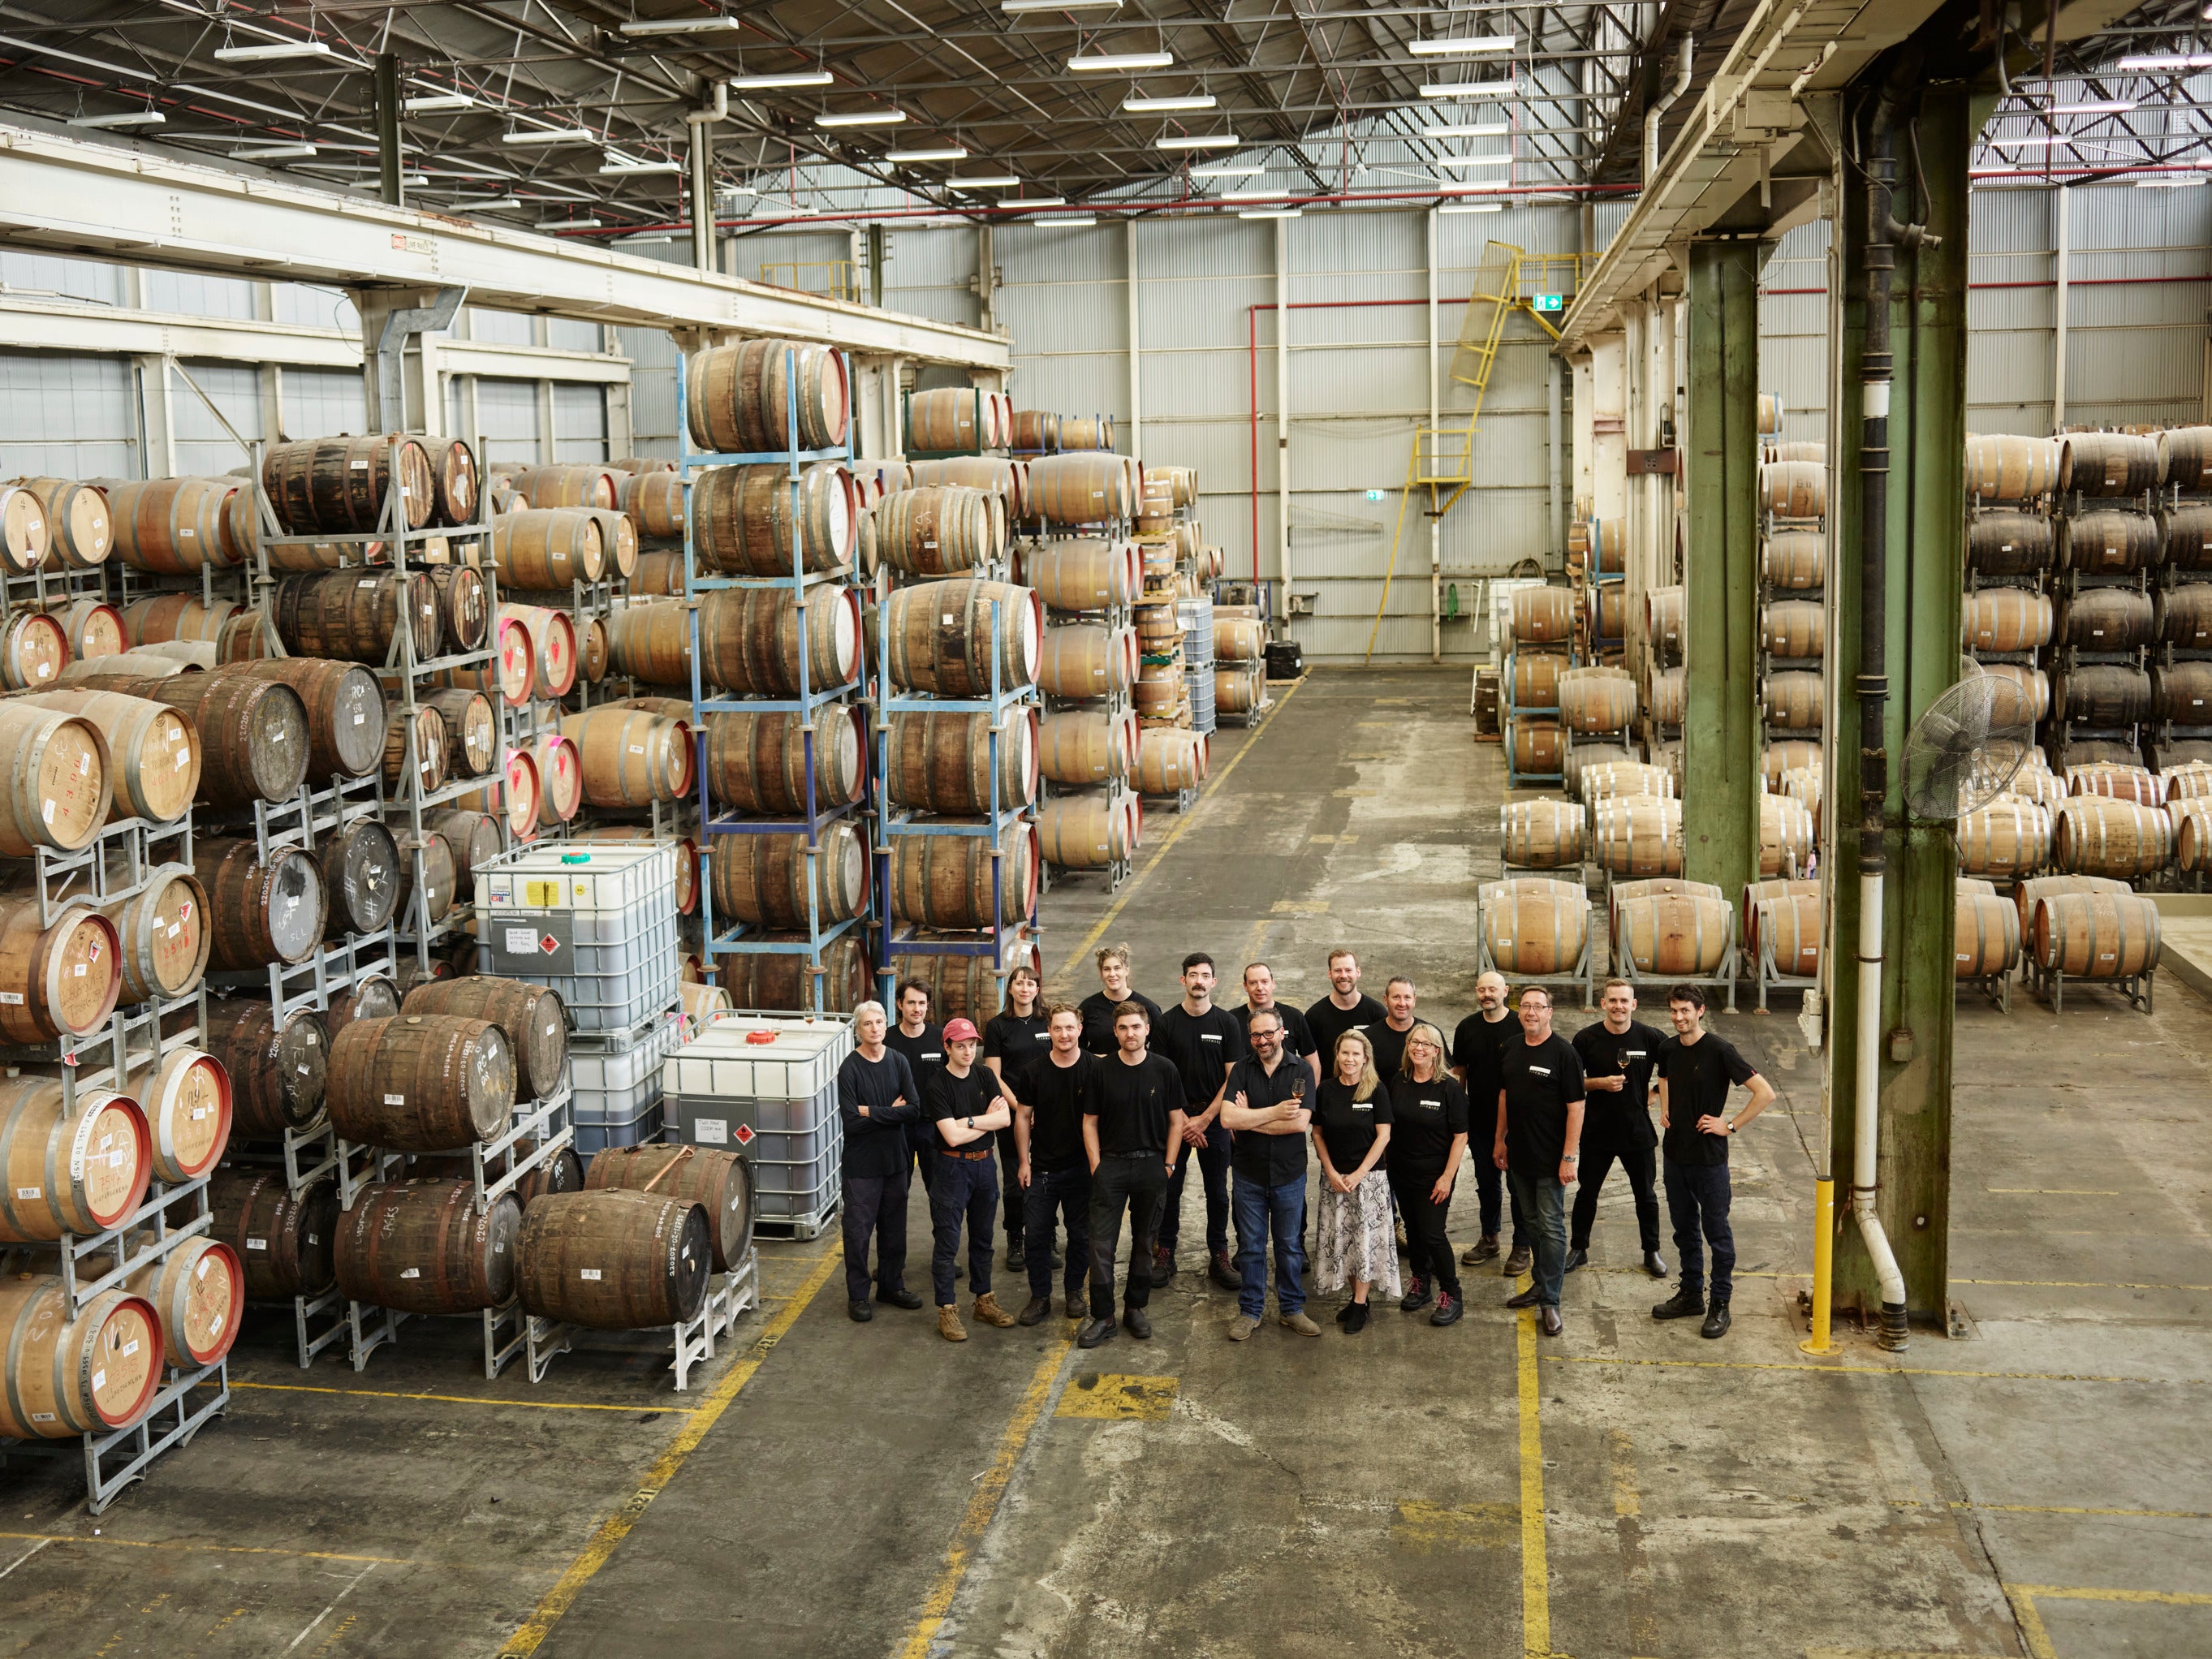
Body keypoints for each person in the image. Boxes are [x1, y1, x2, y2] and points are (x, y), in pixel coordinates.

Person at [1652, 985, 1777, 1340]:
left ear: (1700, 1011)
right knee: (1683, 1229)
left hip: (1709, 1160)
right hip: (1675, 1155)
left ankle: (1720, 1303)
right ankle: (1691, 1294)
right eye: (1674, 1011)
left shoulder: (1720, 1050)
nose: (1679, 1018)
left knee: (1717, 1234)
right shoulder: (1668, 1047)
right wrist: (1665, 1108)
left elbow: (1764, 1092)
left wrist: (1730, 1125)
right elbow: (1663, 1076)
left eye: (1685, 1011)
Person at [1079, 1001, 1186, 1349]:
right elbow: (1090, 1122)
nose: (1130, 1033)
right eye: (1123, 1028)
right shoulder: (1100, 1070)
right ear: (1115, 1032)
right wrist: (1096, 1165)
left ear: (1147, 1029)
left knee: (1143, 1243)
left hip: (1151, 1166)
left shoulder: (1165, 1069)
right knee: (1100, 1245)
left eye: (1136, 1027)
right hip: (1110, 1166)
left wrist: (1169, 1164)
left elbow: (1176, 1120)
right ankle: (1104, 1316)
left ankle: (1135, 1309)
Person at [1218, 1007, 1320, 1340]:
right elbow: (1228, 1120)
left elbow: (1299, 1124)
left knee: (1289, 1246)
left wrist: (1252, 1117)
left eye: (1268, 1034)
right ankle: (1250, 1311)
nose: (1262, 1041)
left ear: (1282, 1033)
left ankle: (1292, 1309)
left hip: (1289, 1175)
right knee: (1250, 1246)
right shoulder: (1242, 1070)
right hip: (1248, 1174)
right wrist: (1274, 1113)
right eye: (1255, 1035)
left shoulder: (1301, 1069)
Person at [1152, 952, 1248, 1290]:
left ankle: (1219, 1255)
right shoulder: (1166, 1023)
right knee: (1170, 1189)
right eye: (1192, 975)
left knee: (1217, 1192)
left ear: (1213, 982)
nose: (1198, 981)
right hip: (1175, 1117)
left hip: (1214, 1120)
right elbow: (1163, 1078)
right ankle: (1165, 1252)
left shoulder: (1227, 1023)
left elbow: (1233, 1078)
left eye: (1205, 975)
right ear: (1183, 980)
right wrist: (1184, 1122)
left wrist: (1204, 1120)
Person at [1495, 985, 1584, 1338]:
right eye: (1526, 1006)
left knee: (1550, 1228)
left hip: (1551, 1160)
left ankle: (1550, 1301)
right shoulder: (1512, 1048)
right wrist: (1500, 1139)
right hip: (1519, 1155)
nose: (1531, 1012)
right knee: (1530, 1223)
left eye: (1538, 1006)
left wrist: (1569, 1156)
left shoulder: (1564, 1054)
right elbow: (1505, 1095)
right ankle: (1539, 1284)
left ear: (1550, 1012)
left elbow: (1576, 1108)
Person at [1567, 980, 1669, 1280]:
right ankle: (1579, 1248)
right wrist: (1598, 1083)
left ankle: (1652, 1251)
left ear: (1633, 1005)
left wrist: (1653, 1094)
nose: (1618, 1006)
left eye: (1624, 1001)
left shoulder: (1650, 1037)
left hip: (1637, 1133)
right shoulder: (1586, 1039)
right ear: (1603, 1004)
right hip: (1597, 1131)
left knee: (1646, 1196)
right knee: (1587, 1194)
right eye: (1613, 1001)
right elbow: (1570, 1082)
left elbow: (1673, 1069)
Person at [926, 1018, 1020, 1341]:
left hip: (984, 1168)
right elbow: (951, 1137)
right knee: (947, 1243)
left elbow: (1005, 1117)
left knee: (983, 1240)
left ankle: (984, 1301)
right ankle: (947, 1310)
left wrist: (967, 1121)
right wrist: (985, 1121)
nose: (968, 1051)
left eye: (973, 1045)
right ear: (947, 1047)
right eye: (961, 1045)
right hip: (952, 1169)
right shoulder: (938, 1084)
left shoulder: (984, 1074)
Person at [834, 1001, 929, 1321]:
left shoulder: (899, 1061)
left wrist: (871, 1110)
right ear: (858, 1030)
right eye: (868, 1024)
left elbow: (914, 1109)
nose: (875, 1029)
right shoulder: (849, 1069)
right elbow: (851, 1122)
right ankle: (858, 1294)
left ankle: (890, 1285)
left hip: (896, 1161)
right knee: (858, 1233)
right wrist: (891, 1111)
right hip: (862, 1166)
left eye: (879, 1022)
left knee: (894, 1230)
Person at [1310, 1029, 1398, 1333]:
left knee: (1364, 1243)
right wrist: (1332, 1172)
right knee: (1344, 1243)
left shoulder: (1376, 1090)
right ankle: (1356, 1298)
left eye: (1355, 1054)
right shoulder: (1326, 1090)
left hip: (1369, 1181)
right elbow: (1317, 1134)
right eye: (1344, 1053)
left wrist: (1359, 1174)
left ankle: (1360, 1305)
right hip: (1334, 1180)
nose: (1349, 1059)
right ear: (1337, 1056)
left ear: (1365, 1059)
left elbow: (1384, 1136)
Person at [1013, 1003, 1095, 1325]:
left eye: (1070, 1028)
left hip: (1083, 1170)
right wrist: (1024, 1161)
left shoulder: (1094, 1069)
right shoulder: (1033, 1071)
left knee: (1081, 1236)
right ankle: (1040, 1296)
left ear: (1080, 1029)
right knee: (1035, 1236)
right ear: (1049, 1030)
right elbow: (1022, 1116)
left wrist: (1097, 1164)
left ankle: (1074, 1291)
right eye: (1058, 1028)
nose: (1064, 1034)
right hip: (1043, 1169)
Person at [1388, 1023, 1468, 1325]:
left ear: (1437, 1051)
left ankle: (1452, 1293)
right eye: (1414, 1042)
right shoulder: (1399, 1081)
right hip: (1402, 1171)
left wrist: (1447, 1177)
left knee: (1433, 1233)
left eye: (1426, 1044)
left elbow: (1461, 1136)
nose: (1419, 1048)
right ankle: (1421, 1282)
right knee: (1414, 1229)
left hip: (1435, 1175)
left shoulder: (1449, 1087)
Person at [1451, 971, 1529, 1274]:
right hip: (1480, 1119)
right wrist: (1457, 1110)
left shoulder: (1520, 1025)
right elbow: (1459, 1070)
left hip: (1517, 1121)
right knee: (1486, 1183)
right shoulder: (1467, 1027)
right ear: (1476, 992)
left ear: (1505, 991)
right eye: (1482, 990)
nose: (1487, 995)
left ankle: (1522, 1244)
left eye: (1493, 989)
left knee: (1517, 1184)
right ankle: (1490, 1238)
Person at [985, 965, 1054, 1270]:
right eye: (1019, 983)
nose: (1025, 988)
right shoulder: (998, 1026)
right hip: (1013, 1114)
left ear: (1037, 990)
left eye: (1031, 983)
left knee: (1047, 1177)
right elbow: (993, 1075)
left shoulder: (1048, 1021)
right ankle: (1016, 1237)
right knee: (1016, 1180)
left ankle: (1047, 1236)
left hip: (1050, 1113)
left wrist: (1043, 1106)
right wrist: (1021, 1107)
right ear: (1010, 989)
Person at [885, 981, 946, 1198]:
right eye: (911, 1002)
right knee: (896, 1192)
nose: (917, 1008)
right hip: (897, 1127)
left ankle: (943, 1233)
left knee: (939, 1192)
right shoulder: (886, 1039)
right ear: (900, 1004)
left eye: (922, 1003)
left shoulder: (940, 1039)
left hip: (933, 1126)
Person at [1304, 950, 1386, 1086]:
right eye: (1338, 971)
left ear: (1358, 972)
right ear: (1329, 973)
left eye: (1348, 970)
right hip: (1329, 1097)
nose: (1343, 976)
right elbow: (1310, 1064)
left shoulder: (1377, 1013)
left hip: (1367, 1092)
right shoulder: (1314, 1016)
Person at [1079, 943, 1163, 1058]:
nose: (1112, 974)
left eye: (1117, 968)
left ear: (1127, 970)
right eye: (1107, 969)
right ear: (1101, 973)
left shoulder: (1149, 1008)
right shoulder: (1088, 1007)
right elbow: (1077, 1049)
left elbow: (1160, 1050)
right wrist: (1094, 1059)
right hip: (1099, 1072)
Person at [1237, 962, 1316, 1063]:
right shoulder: (1232, 1020)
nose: (1260, 988)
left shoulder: (1294, 1017)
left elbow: (1312, 1061)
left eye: (1265, 982)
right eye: (1253, 983)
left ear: (1273, 984)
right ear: (1245, 986)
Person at [1367, 976, 1420, 1080]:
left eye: (1407, 997)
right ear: (1385, 1000)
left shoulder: (1430, 1036)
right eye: (1396, 997)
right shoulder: (1368, 1038)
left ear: (1414, 1000)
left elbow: (1447, 1073)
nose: (1402, 1003)